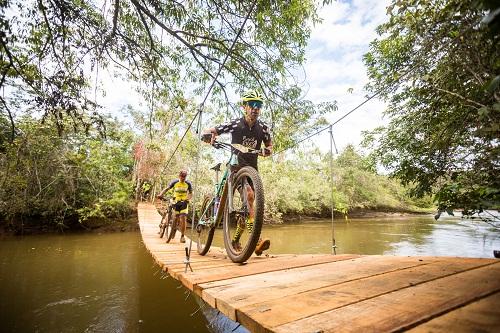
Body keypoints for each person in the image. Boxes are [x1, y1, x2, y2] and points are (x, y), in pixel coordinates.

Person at [203, 90, 272, 256]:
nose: (256, 108)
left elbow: (269, 145)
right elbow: (213, 130)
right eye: (252, 105)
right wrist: (208, 135)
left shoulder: (263, 128)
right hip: (236, 166)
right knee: (248, 195)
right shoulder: (236, 123)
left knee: (247, 205)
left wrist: (267, 150)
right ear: (245, 107)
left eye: (259, 105)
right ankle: (257, 239)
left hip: (252, 169)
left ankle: (235, 240)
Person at [157, 170, 193, 243]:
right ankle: (172, 229)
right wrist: (161, 194)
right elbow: (167, 188)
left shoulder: (188, 183)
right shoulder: (175, 182)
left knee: (183, 218)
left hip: (184, 202)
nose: (183, 178)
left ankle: (182, 236)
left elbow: (191, 193)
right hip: (175, 201)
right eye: (182, 177)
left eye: (184, 177)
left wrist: (187, 199)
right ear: (179, 176)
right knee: (176, 217)